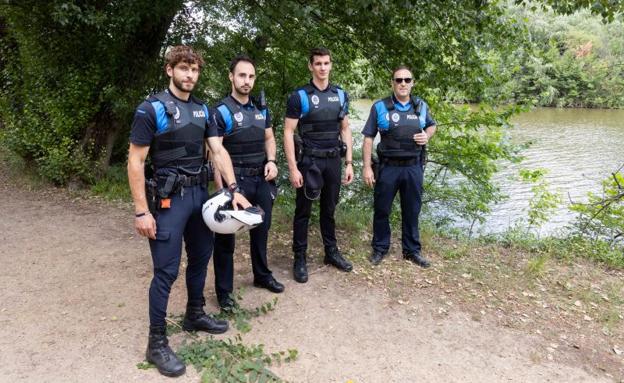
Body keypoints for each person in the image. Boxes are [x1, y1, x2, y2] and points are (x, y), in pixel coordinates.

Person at [127, 45, 250, 378]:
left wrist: (234, 190)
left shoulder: (202, 109)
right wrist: (142, 212)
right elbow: (136, 160)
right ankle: (156, 343)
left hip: (199, 197)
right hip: (168, 201)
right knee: (165, 271)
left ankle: (194, 313)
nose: (189, 75)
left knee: (201, 257)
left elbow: (218, 150)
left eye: (194, 70)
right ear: (170, 70)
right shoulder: (151, 109)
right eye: (183, 68)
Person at [211, 55, 284, 311]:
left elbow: (269, 139)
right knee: (226, 239)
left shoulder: (261, 109)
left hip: (261, 179)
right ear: (231, 76)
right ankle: (224, 292)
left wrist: (272, 161)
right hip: (235, 183)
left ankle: (262, 275)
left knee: (261, 230)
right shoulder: (221, 112)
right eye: (242, 75)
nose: (247, 81)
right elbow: (215, 153)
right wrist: (223, 191)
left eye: (251, 76)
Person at [283, 47, 354, 283]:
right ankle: (300, 257)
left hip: (333, 160)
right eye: (318, 64)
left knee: (329, 209)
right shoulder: (300, 96)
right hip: (309, 161)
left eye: (326, 63)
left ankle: (330, 252)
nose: (322, 68)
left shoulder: (340, 95)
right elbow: (288, 131)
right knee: (303, 210)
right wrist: (293, 167)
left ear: (331, 65)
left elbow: (345, 129)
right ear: (310, 66)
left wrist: (350, 163)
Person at [361, 65, 437, 268]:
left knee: (412, 210)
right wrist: (367, 167)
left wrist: (426, 135)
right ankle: (380, 248)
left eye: (407, 80)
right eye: (398, 80)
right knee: (382, 209)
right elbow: (368, 138)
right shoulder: (380, 107)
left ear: (412, 83)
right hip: (388, 168)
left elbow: (432, 125)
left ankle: (412, 251)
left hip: (413, 167)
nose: (403, 83)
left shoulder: (421, 106)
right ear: (392, 83)